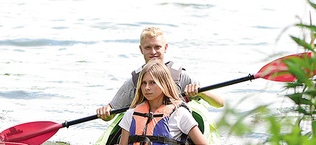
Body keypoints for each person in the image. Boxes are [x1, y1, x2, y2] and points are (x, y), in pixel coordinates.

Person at [96, 27, 224, 121]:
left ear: (165, 48)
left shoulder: (181, 77)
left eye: (157, 47)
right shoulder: (134, 82)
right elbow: (110, 115)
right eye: (148, 48)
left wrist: (200, 92)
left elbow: (219, 103)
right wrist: (106, 112)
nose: (153, 52)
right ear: (141, 49)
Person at [109, 59, 213, 145]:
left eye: (153, 82)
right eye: (144, 83)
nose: (147, 88)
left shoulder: (179, 113)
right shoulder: (130, 114)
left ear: (164, 84)